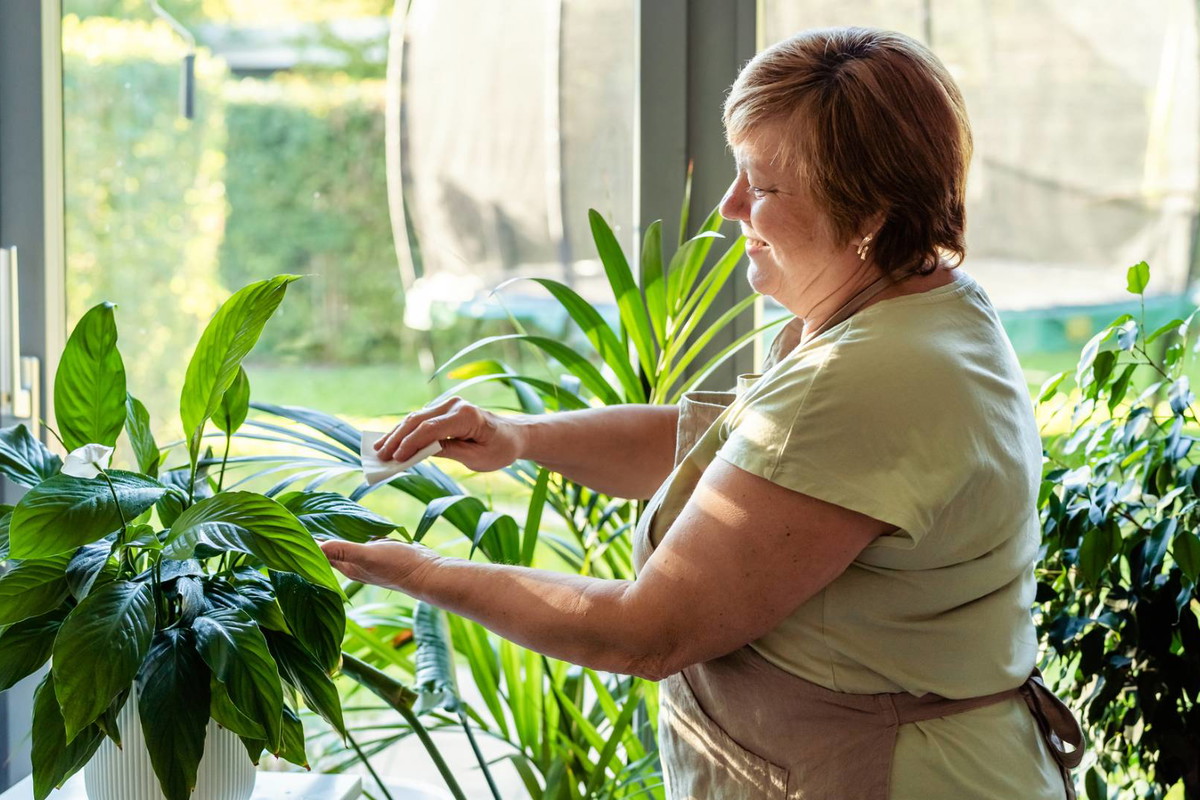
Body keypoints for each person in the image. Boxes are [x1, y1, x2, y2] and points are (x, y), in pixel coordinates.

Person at [320, 26, 1084, 800]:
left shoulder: (868, 379)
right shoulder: (916, 309)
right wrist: (518, 438)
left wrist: (422, 570)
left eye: (763, 185)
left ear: (873, 216)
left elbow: (646, 630)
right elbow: (734, 461)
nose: (729, 206)